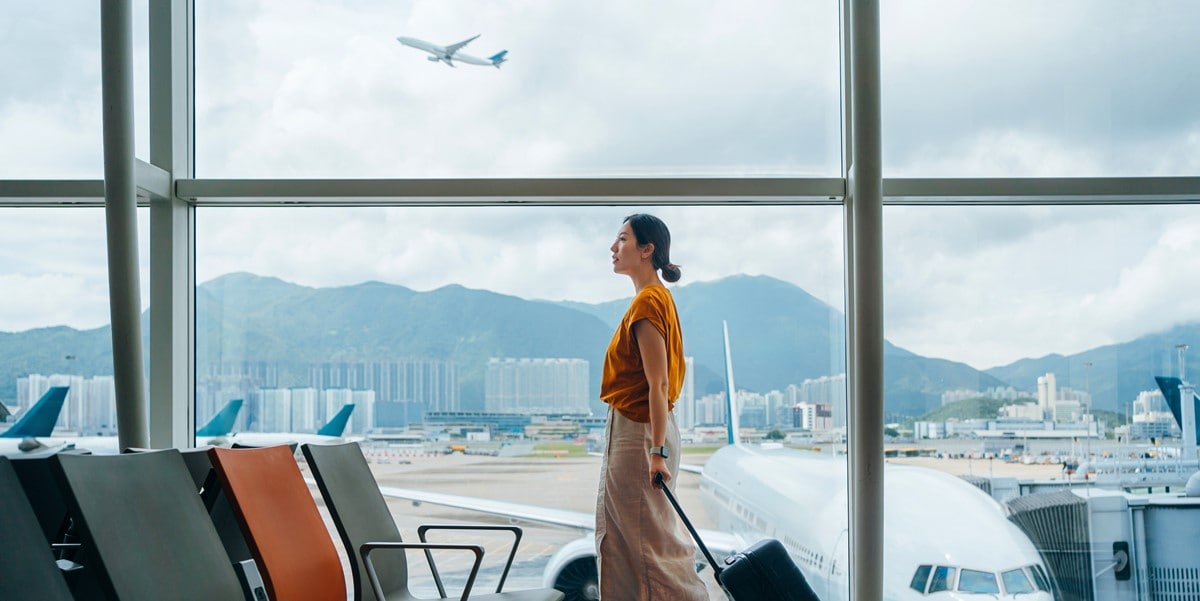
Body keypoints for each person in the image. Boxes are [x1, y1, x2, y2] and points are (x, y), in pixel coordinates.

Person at [595, 213, 708, 600]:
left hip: (640, 433)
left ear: (647, 249)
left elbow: (657, 384)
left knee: (647, 545)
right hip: (644, 430)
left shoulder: (647, 303)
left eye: (622, 239)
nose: (613, 247)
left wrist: (656, 451)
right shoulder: (656, 299)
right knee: (639, 541)